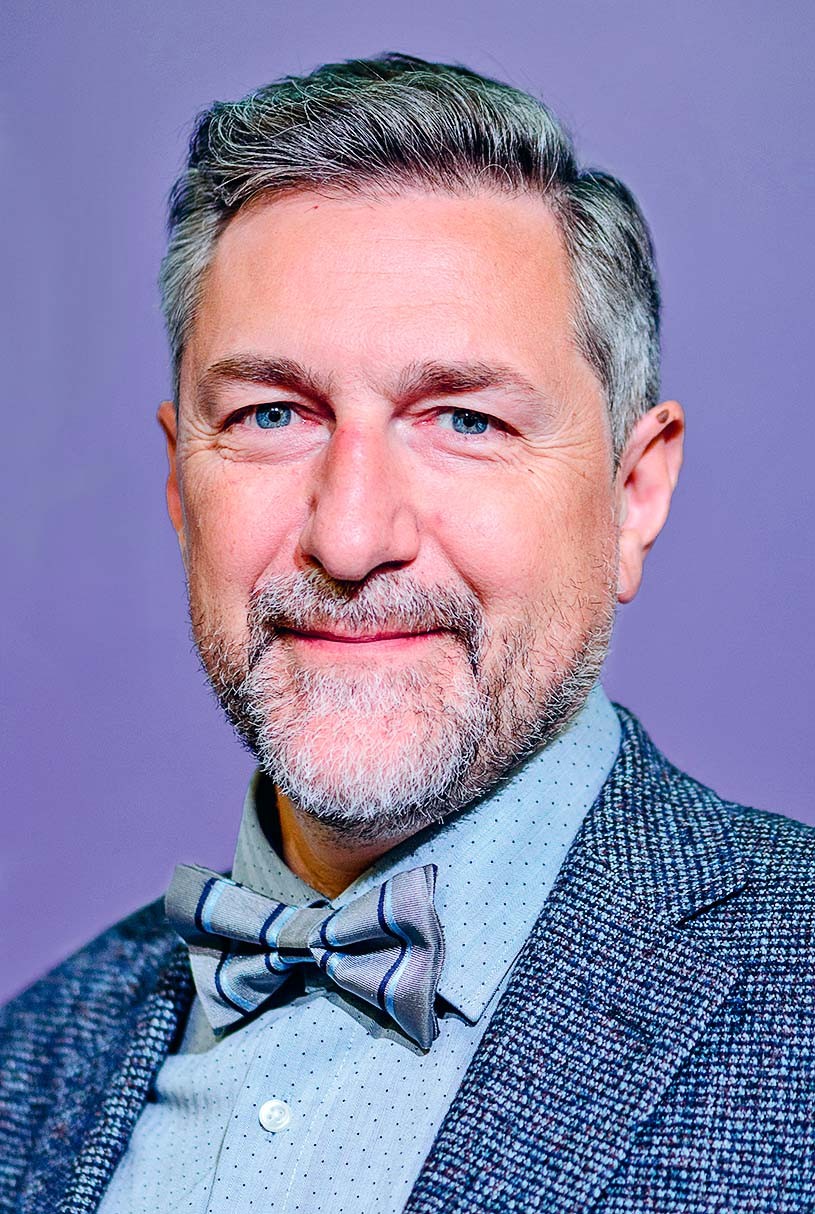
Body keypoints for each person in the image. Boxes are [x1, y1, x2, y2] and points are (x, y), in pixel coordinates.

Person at [1, 52, 812, 1214]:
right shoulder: (26, 1062)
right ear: (181, 482)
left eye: (464, 419)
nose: (349, 535)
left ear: (633, 492)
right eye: (270, 413)